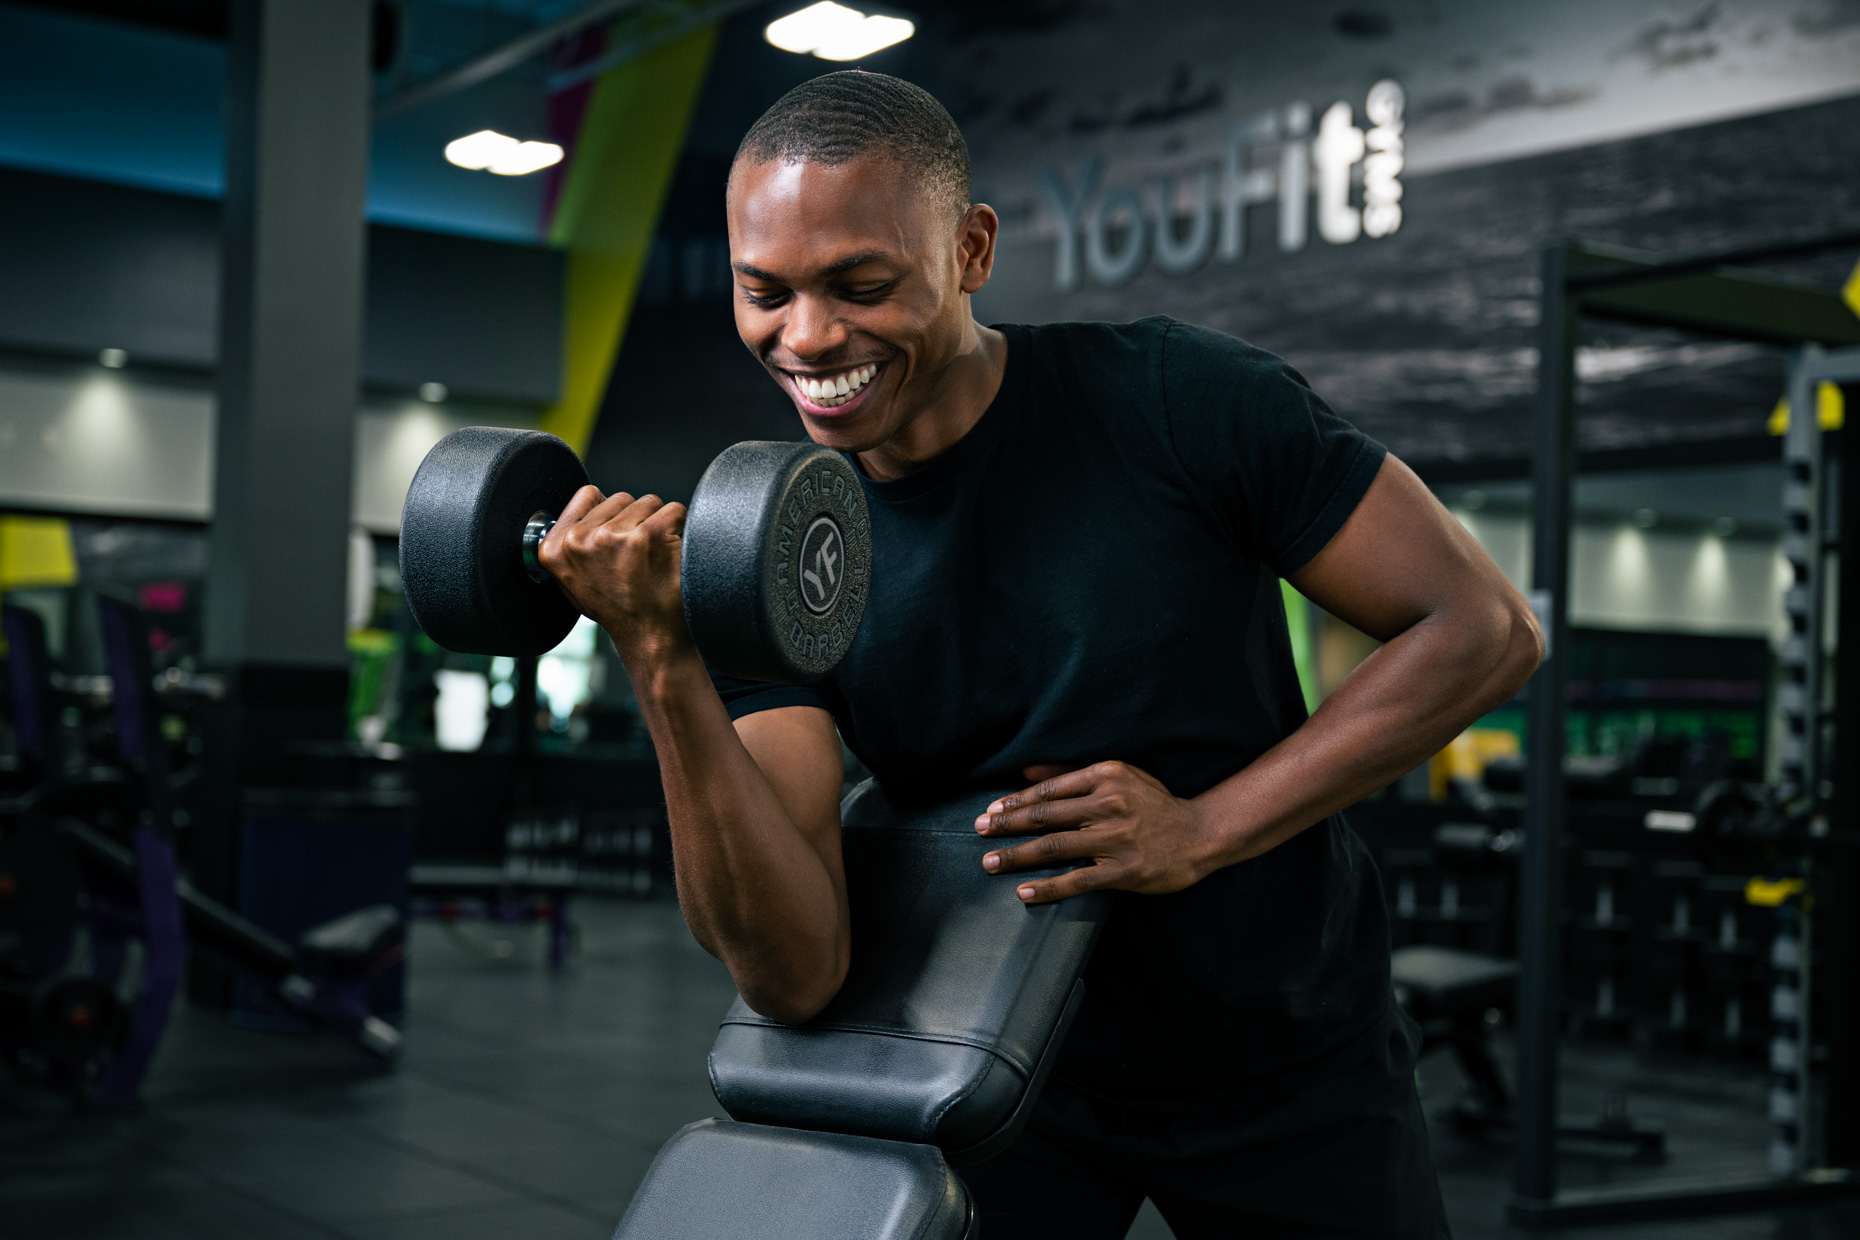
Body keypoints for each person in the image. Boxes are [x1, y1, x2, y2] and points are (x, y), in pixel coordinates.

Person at [541, 70, 1539, 1238]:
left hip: (1283, 1048)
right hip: (995, 1062)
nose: (807, 338)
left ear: (969, 251)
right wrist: (665, 660)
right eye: (764, 292)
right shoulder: (770, 553)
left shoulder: (1180, 400)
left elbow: (1482, 628)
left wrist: (1205, 826)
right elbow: (794, 971)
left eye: (862, 285)